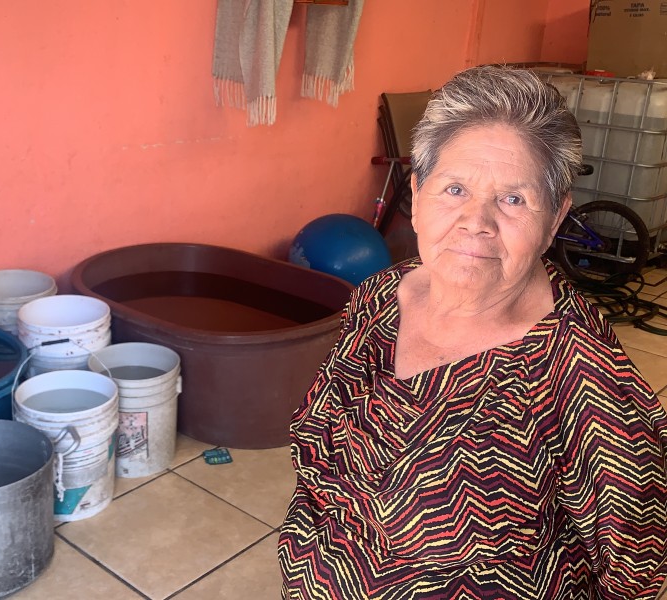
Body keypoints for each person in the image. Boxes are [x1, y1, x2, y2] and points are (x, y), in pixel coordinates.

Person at [278, 65, 667, 599]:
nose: (476, 221)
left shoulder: (583, 380)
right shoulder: (380, 297)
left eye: (513, 199)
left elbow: (636, 572)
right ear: (418, 193)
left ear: (555, 219)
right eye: (455, 188)